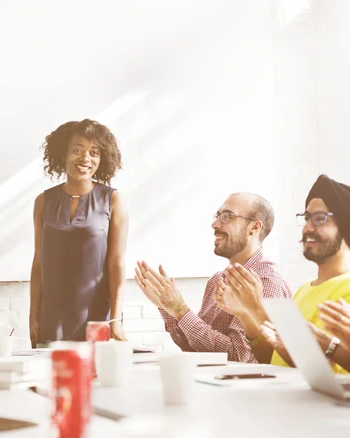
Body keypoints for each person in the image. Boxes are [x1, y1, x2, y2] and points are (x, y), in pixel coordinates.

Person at [135, 193, 293, 363]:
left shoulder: (268, 282)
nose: (214, 224)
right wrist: (168, 308)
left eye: (227, 216)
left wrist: (181, 311)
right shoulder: (216, 280)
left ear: (254, 228)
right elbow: (195, 349)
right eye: (217, 216)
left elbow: (239, 358)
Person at [216, 175, 350, 372]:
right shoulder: (304, 290)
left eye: (320, 219)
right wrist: (247, 313)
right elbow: (273, 360)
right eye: (306, 218)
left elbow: (319, 372)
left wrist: (257, 309)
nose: (307, 228)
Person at [29, 119, 129, 346]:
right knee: (52, 378)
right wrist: (33, 316)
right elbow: (38, 264)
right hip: (51, 317)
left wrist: (116, 317)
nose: (86, 158)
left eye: (94, 152)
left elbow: (116, 263)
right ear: (62, 154)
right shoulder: (43, 201)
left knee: (93, 378)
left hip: (95, 316)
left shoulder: (113, 200)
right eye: (77, 150)